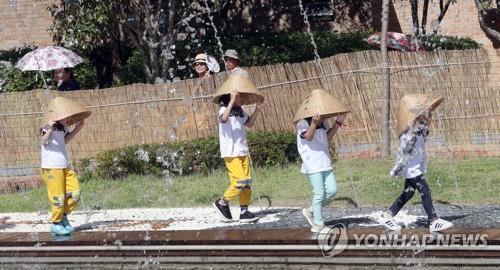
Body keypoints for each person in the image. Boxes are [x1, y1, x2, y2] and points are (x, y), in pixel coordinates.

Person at [377, 94, 453, 232]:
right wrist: (398, 168)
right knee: (425, 190)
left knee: (409, 192)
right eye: (425, 114)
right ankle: (433, 220)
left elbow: (426, 127)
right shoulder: (410, 132)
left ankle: (387, 215)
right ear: (417, 116)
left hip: (415, 167)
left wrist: (427, 116)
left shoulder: (422, 129)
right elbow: (405, 150)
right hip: (411, 168)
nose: (429, 116)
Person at [294, 89, 348, 233]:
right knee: (319, 193)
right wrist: (313, 123)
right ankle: (318, 224)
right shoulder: (302, 123)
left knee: (332, 191)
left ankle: (311, 210)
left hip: (324, 162)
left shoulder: (323, 123)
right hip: (312, 164)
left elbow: (327, 137)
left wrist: (337, 123)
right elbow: (309, 136)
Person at [212, 76, 264, 223]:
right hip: (230, 152)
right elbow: (223, 119)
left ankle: (244, 211)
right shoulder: (223, 108)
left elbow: (250, 124)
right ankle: (222, 202)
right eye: (242, 96)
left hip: (242, 151)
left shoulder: (241, 111)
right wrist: (232, 101)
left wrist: (257, 110)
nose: (245, 98)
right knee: (240, 181)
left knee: (247, 182)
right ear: (232, 96)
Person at [40, 97, 90, 235]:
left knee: (75, 193)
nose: (68, 118)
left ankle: (63, 216)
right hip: (51, 167)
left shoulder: (63, 128)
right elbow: (43, 141)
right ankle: (56, 224)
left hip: (64, 165)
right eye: (66, 116)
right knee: (58, 198)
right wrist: (49, 129)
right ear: (57, 115)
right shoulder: (46, 126)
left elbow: (65, 141)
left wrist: (77, 129)